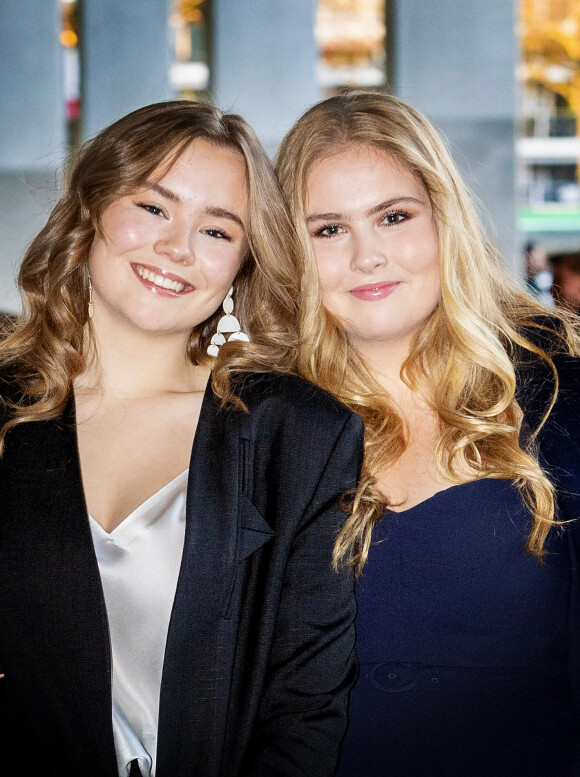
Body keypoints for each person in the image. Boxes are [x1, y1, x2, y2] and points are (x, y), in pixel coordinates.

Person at [0, 101, 364, 777]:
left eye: (218, 231)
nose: (177, 248)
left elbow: (305, 708)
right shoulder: (7, 406)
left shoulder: (299, 435)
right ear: (90, 212)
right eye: (153, 207)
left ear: (242, 266)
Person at [276, 90, 580, 777]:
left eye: (393, 216)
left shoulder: (563, 395)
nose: (367, 255)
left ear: (444, 217)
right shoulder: (256, 425)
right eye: (328, 229)